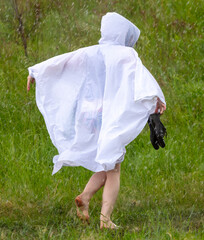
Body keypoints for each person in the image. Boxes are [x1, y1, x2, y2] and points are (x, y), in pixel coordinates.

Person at [27, 12, 166, 229]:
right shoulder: (126, 55)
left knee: (109, 159)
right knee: (114, 168)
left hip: (91, 114)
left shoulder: (92, 52)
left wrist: (36, 72)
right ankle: (105, 219)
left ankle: (85, 197)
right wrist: (158, 99)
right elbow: (142, 79)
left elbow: (64, 61)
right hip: (111, 115)